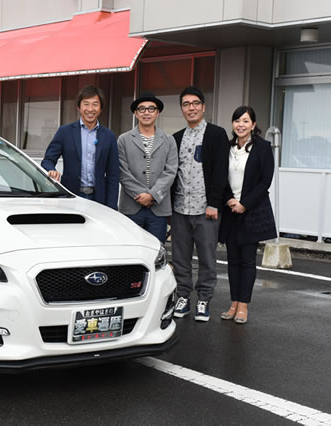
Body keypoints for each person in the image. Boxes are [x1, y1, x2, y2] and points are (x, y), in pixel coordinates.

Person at [171, 86, 230, 322]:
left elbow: (220, 171)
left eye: (195, 103)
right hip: (179, 208)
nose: (191, 108)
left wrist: (214, 203)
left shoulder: (216, 134)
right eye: (186, 104)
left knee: (207, 258)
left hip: (206, 209)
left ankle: (204, 299)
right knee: (180, 257)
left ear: (203, 107)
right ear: (182, 109)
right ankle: (183, 296)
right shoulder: (176, 138)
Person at [218, 106, 276, 324]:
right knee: (232, 260)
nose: (240, 125)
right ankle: (233, 302)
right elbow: (219, 177)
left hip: (251, 211)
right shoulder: (227, 147)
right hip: (230, 210)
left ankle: (243, 305)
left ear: (253, 125)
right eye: (237, 121)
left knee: (247, 261)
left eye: (245, 121)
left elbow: (265, 181)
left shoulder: (263, 147)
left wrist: (244, 204)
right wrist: (229, 200)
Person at [41, 86, 119, 209]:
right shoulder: (65, 132)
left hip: (99, 199)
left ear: (101, 108)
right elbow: (48, 160)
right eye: (86, 104)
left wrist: (112, 206)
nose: (90, 109)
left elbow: (113, 175)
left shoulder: (109, 136)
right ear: (79, 107)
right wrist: (51, 170)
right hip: (71, 196)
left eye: (95, 104)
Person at [117, 92, 177, 242]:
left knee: (156, 248)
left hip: (158, 208)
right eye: (142, 109)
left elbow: (170, 171)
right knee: (131, 248)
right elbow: (122, 172)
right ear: (136, 113)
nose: (146, 113)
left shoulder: (169, 140)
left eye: (151, 109)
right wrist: (141, 195)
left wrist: (152, 195)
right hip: (131, 206)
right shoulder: (123, 140)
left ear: (157, 112)